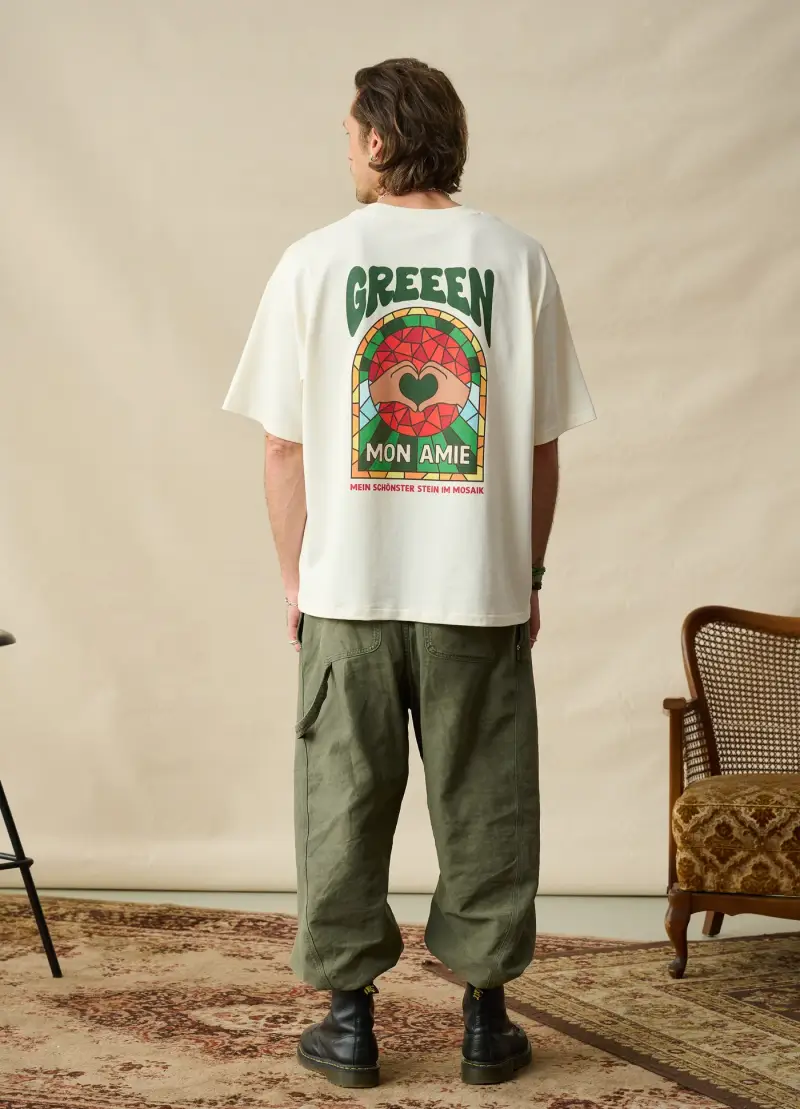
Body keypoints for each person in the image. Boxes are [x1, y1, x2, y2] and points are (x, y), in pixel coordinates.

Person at [222, 57, 596, 1089]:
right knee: (488, 796)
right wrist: (526, 573)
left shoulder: (312, 261)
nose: (344, 150)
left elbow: (283, 447)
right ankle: (485, 1019)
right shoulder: (518, 260)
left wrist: (297, 580)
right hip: (476, 590)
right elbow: (539, 448)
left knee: (340, 798)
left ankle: (349, 1022)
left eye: (349, 134)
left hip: (350, 589)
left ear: (381, 141)